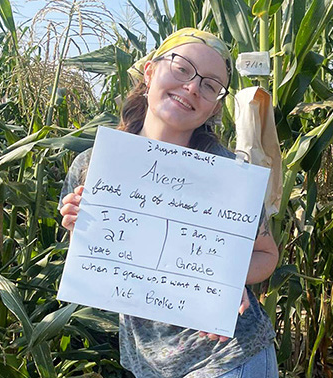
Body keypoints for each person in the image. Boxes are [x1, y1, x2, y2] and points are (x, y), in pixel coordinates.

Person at [58, 28, 280, 378]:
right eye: (182, 68)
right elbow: (107, 257)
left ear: (214, 107)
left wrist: (228, 279)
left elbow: (267, 254)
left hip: (228, 357)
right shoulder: (94, 165)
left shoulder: (227, 175)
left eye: (209, 85)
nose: (192, 86)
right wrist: (78, 227)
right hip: (150, 363)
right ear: (149, 72)